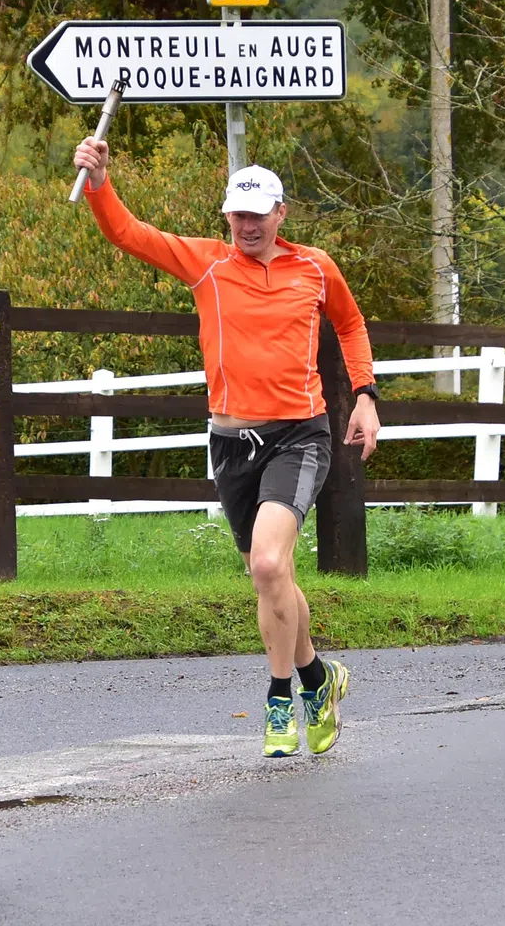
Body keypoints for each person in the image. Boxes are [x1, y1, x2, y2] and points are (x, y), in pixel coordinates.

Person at [71, 137, 379, 758]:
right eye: (237, 214)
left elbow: (348, 323)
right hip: (232, 439)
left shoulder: (315, 268)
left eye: (258, 213)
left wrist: (366, 394)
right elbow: (130, 234)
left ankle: (277, 699)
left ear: (281, 214)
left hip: (300, 432)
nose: (247, 225)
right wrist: (100, 182)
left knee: (269, 564)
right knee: (270, 575)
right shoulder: (206, 263)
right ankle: (321, 679)